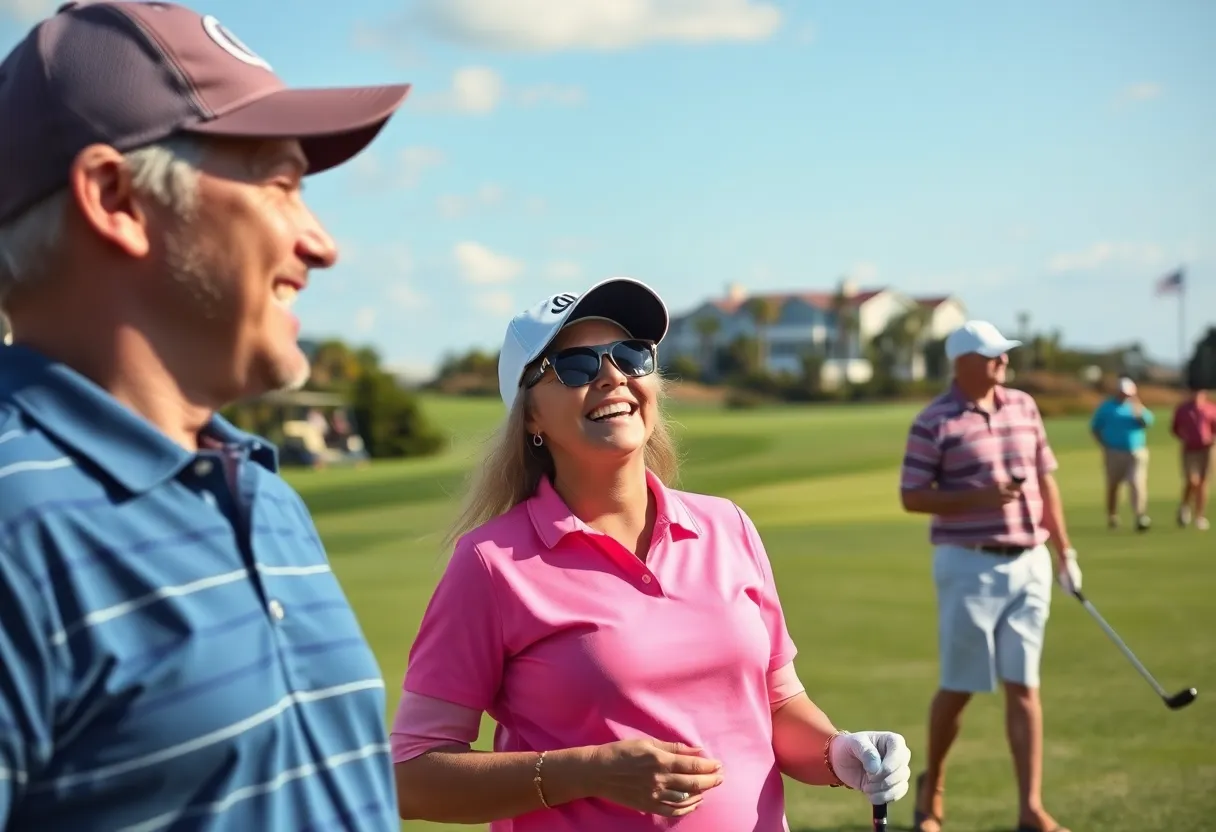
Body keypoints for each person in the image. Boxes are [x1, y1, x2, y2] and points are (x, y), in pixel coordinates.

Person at [0, 3, 409, 830]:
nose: (321, 243)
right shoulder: (13, 529)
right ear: (118, 198)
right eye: (283, 184)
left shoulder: (265, 496)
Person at [390, 277, 912, 830]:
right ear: (531, 417)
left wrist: (840, 754)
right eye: (574, 366)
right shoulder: (491, 563)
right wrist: (587, 772)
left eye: (631, 356)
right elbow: (412, 776)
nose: (612, 375)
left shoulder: (726, 526)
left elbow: (777, 707)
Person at [899, 320, 1081, 832]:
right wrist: (976, 497)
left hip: (1030, 562)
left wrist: (1065, 553)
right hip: (967, 564)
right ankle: (930, 797)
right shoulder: (933, 421)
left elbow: (1046, 481)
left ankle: (1031, 809)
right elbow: (912, 496)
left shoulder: (1023, 406)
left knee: (1024, 686)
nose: (1002, 362)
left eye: (1003, 354)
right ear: (963, 363)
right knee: (959, 688)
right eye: (992, 355)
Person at [1089, 377, 1155, 531]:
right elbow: (1095, 428)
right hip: (1114, 451)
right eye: (1123, 393)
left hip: (1136, 451)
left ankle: (1140, 516)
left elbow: (1147, 423)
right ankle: (1112, 515)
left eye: (1128, 393)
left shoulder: (1137, 407)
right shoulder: (1106, 407)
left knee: (1137, 482)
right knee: (1114, 485)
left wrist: (1138, 411)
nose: (1125, 396)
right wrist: (1104, 445)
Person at [1171, 385, 1216, 530]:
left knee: (1203, 482)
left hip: (1207, 449)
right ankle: (1184, 506)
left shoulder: (1211, 408)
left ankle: (1199, 516)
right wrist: (1184, 437)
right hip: (1190, 450)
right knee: (1192, 480)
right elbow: (1175, 428)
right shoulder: (1182, 410)